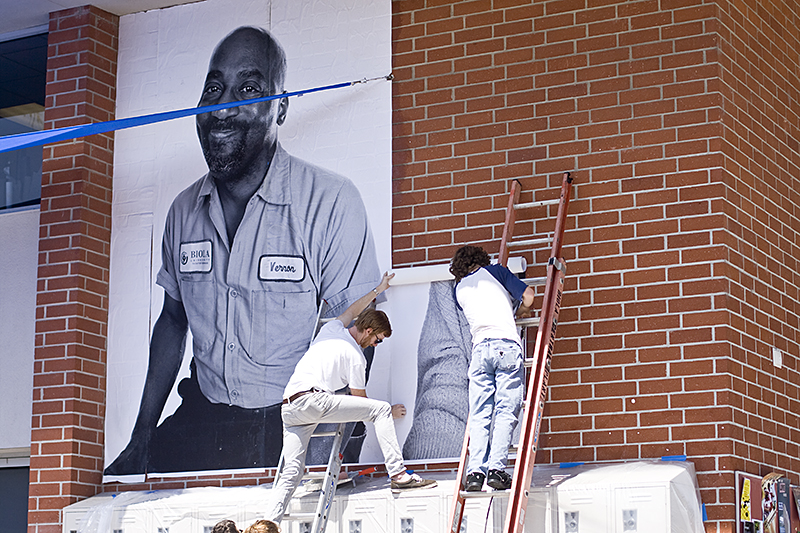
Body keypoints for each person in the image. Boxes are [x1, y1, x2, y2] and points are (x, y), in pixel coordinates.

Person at [105, 26, 380, 476]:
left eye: (248, 89)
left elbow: (360, 334)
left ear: (281, 107)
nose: (223, 107)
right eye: (214, 89)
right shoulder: (183, 212)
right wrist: (142, 436)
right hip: (205, 415)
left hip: (292, 418)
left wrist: (332, 446)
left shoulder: (329, 201)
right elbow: (173, 321)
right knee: (122, 491)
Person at [265, 272, 437, 523]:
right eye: (377, 340)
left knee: (291, 473)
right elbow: (364, 406)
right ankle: (399, 475)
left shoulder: (331, 329)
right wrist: (390, 410)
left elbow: (352, 310)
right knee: (379, 410)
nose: (375, 345)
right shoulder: (355, 357)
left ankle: (268, 524)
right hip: (314, 401)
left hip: (290, 406)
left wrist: (378, 290)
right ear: (368, 331)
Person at [450, 245, 534, 492]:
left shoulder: (459, 290)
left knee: (480, 413)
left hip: (479, 350)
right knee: (506, 409)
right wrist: (519, 309)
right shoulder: (496, 272)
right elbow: (528, 296)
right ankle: (497, 469)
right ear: (482, 260)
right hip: (505, 345)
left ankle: (475, 472)